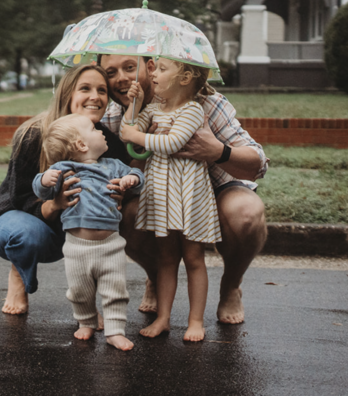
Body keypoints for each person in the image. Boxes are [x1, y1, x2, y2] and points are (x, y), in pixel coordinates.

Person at [98, 53, 268, 325]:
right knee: (122, 213)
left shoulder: (203, 104)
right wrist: (139, 134)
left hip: (212, 188)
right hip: (161, 192)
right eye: (110, 72)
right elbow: (121, 155)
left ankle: (231, 285)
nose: (121, 78)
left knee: (244, 214)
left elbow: (258, 163)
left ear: (151, 67)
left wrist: (219, 151)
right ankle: (155, 277)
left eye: (130, 68)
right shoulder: (114, 115)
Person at [0, 63, 132, 316]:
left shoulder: (106, 142)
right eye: (85, 88)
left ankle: (93, 305)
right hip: (20, 219)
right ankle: (19, 273)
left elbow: (126, 177)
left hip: (76, 230)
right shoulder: (33, 135)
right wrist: (55, 204)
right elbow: (18, 199)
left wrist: (121, 191)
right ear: (67, 94)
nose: (95, 97)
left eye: (102, 90)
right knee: (25, 235)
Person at [120, 58, 220, 342]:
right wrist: (134, 105)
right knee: (165, 257)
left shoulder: (191, 110)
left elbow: (172, 143)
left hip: (187, 194)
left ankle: (195, 320)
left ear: (185, 77)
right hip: (162, 193)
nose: (154, 74)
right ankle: (163, 318)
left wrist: (137, 134)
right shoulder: (153, 108)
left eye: (162, 69)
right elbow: (127, 131)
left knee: (193, 256)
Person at [33, 113, 144, 351]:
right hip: (76, 247)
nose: (101, 132)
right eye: (94, 129)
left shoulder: (113, 165)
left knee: (115, 291)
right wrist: (44, 180)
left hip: (111, 245)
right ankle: (86, 322)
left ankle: (115, 331)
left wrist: (132, 179)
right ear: (81, 145)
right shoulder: (63, 169)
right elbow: (42, 192)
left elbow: (138, 176)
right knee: (80, 291)